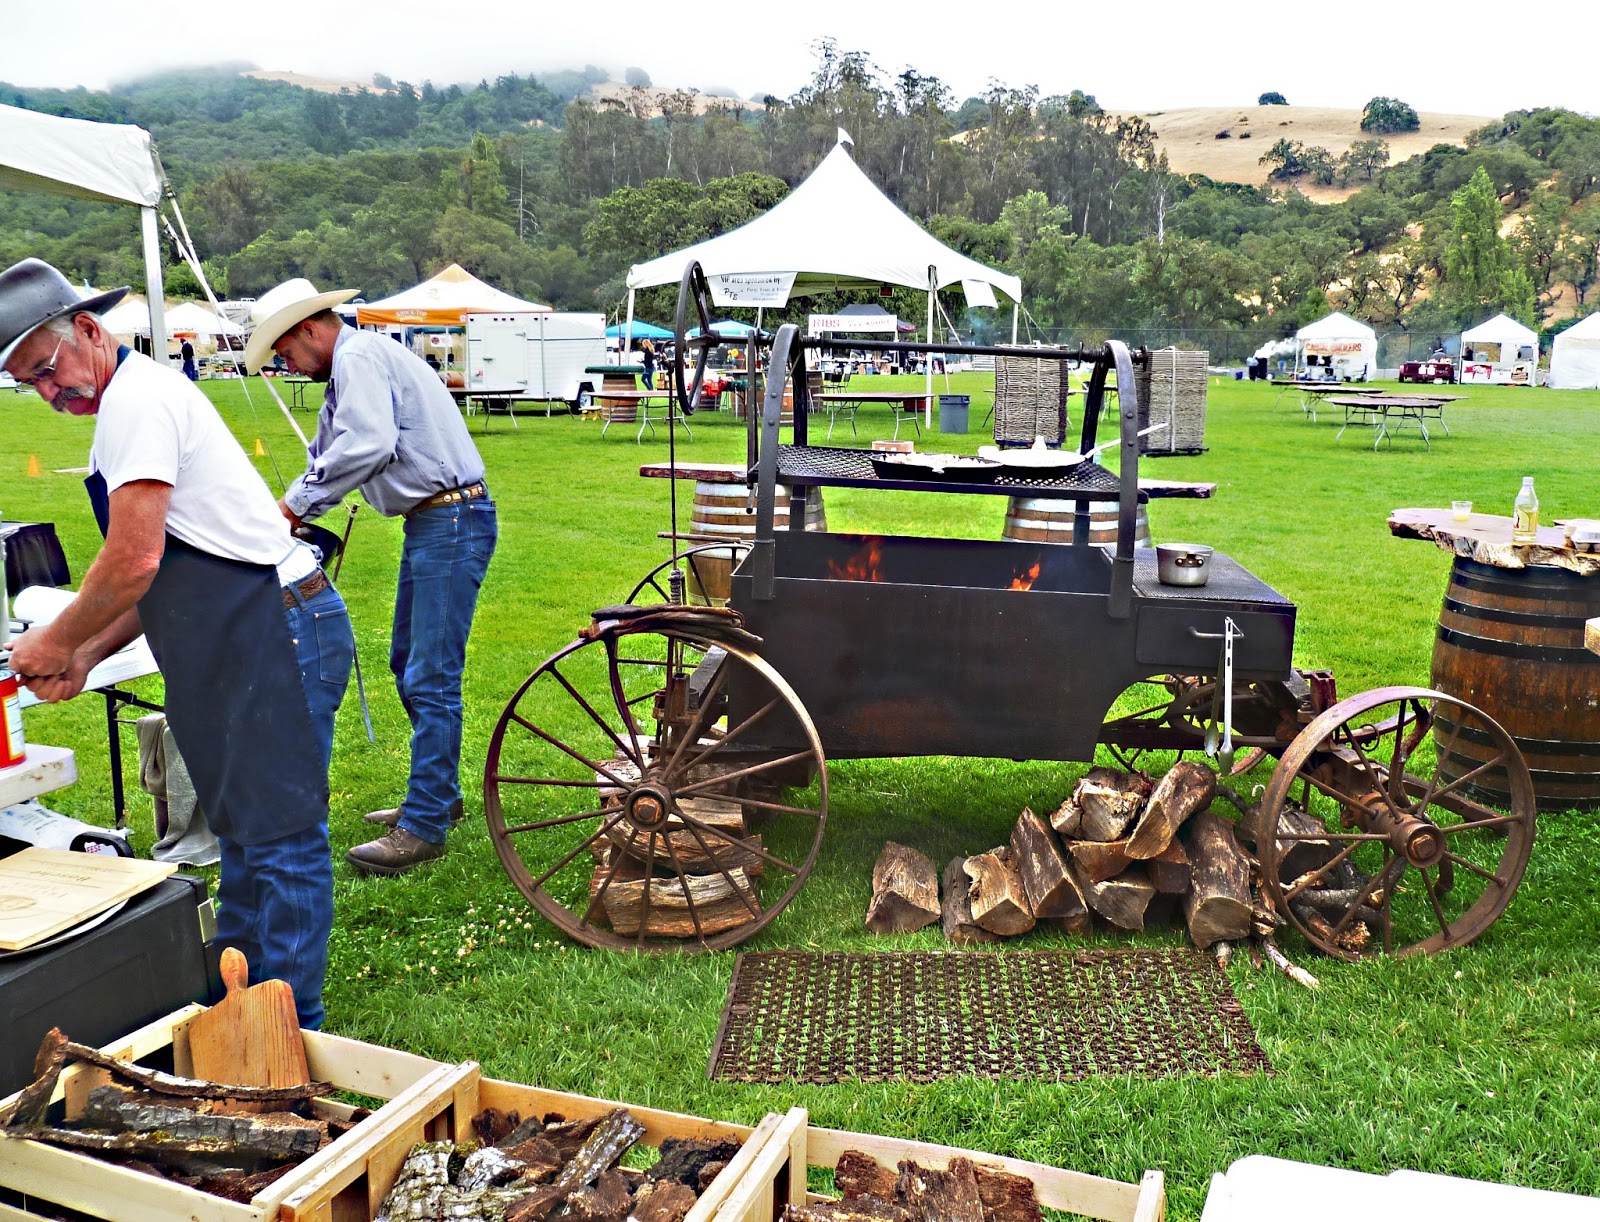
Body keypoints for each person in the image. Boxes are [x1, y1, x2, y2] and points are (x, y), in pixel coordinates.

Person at [0, 258, 353, 1029]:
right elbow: (173, 567)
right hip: (234, 627)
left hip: (277, 622)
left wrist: (53, 641)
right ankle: (231, 1007)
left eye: (48, 370)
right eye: (29, 383)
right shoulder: (124, 409)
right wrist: (89, 654)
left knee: (282, 835)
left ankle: (292, 1030)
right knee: (239, 827)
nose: (48, 392)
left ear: (88, 330)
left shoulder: (139, 403)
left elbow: (134, 560)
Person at [243, 278, 498, 877]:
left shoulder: (356, 357)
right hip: (438, 519)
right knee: (409, 659)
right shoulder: (355, 363)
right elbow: (335, 452)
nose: (286, 364)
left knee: (430, 672)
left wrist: (293, 509)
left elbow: (368, 445)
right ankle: (439, 795)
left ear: (308, 329)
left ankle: (427, 819)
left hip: (450, 518)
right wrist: (297, 506)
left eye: (283, 352)